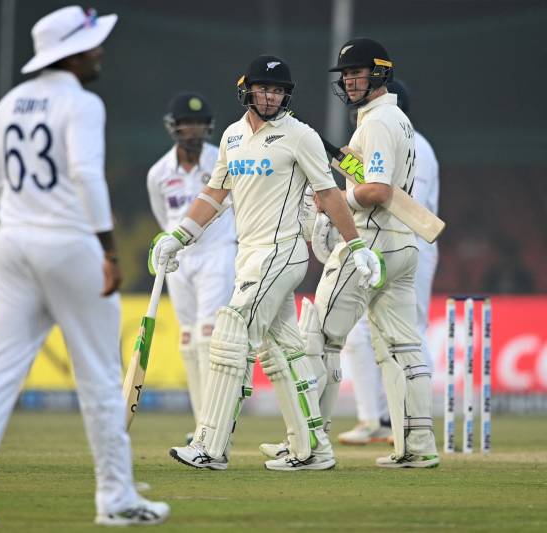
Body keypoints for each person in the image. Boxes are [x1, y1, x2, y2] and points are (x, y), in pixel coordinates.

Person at [0, 6, 169, 527]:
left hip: (12, 243)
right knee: (99, 374)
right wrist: (110, 251)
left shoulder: (10, 102)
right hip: (68, 244)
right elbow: (87, 176)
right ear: (73, 52)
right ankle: (116, 499)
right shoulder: (82, 104)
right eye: (93, 44)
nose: (100, 51)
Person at [153, 55, 382, 472]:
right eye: (264, 88)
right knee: (283, 353)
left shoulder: (300, 136)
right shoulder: (232, 137)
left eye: (278, 90)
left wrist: (354, 246)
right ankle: (312, 448)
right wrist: (179, 236)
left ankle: (210, 445)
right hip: (249, 254)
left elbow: (329, 195)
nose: (271, 96)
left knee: (231, 330)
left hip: (283, 251)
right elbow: (213, 194)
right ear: (246, 91)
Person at [262, 38, 439, 469]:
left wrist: (335, 201)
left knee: (318, 339)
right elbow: (376, 178)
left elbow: (376, 190)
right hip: (403, 246)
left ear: (379, 73)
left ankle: (308, 446)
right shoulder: (395, 119)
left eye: (357, 73)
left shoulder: (378, 121)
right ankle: (418, 447)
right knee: (402, 347)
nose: (349, 81)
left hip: (370, 245)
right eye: (346, 75)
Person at [337, 80, 441, 445]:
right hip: (383, 240)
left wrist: (347, 198)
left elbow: (401, 202)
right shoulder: (377, 134)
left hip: (407, 241)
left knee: (407, 333)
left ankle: (411, 420)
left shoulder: (414, 144)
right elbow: (365, 184)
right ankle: (379, 418)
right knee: (367, 335)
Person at [146, 92, 236, 441]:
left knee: (207, 336)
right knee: (187, 339)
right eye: (187, 123)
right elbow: (163, 216)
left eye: (199, 124)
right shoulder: (158, 173)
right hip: (180, 259)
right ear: (174, 127)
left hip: (217, 251)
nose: (193, 130)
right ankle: (202, 424)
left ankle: (212, 425)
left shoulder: (221, 161)